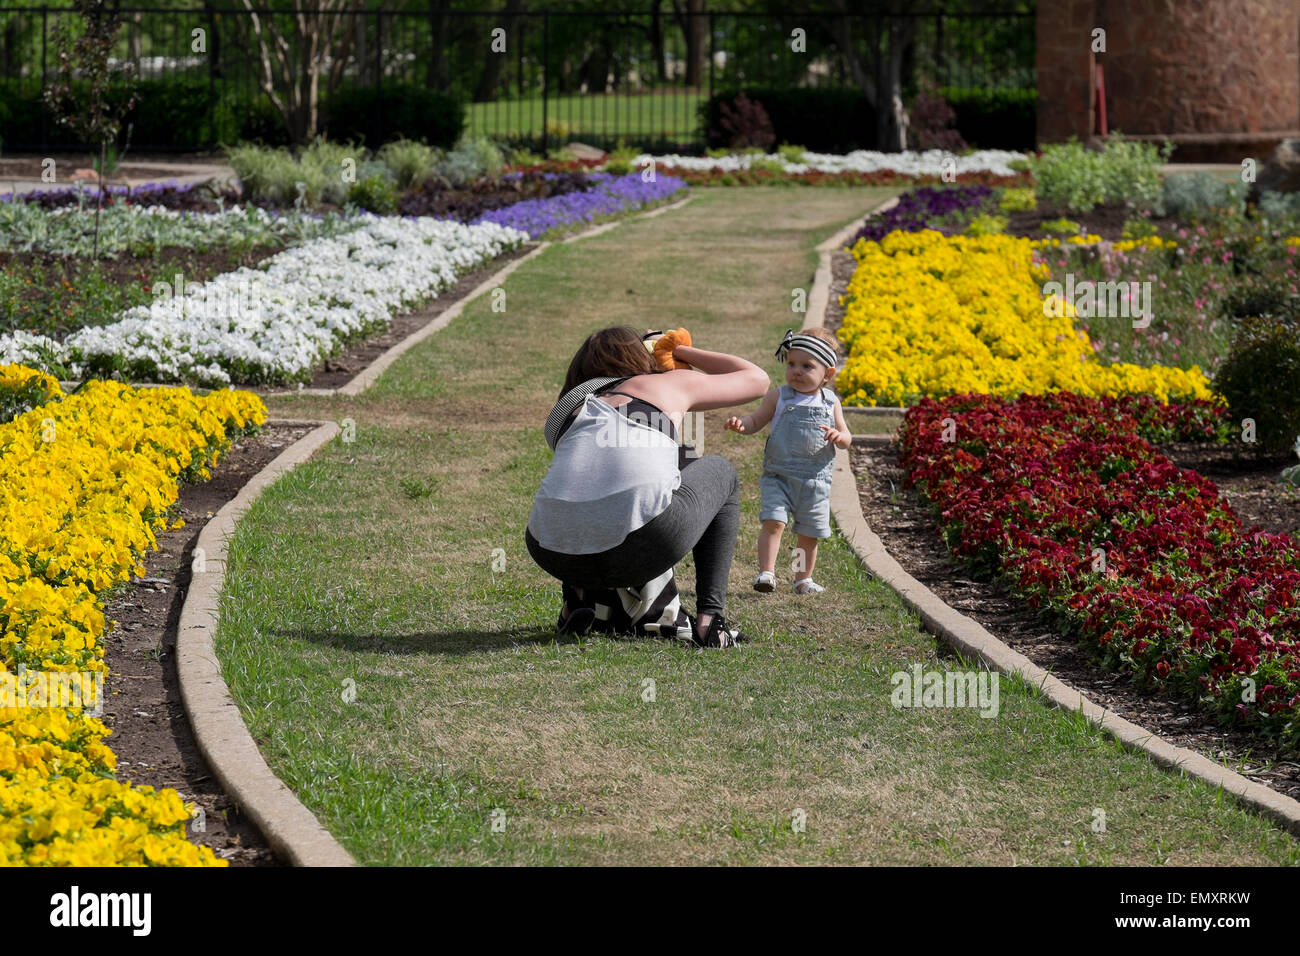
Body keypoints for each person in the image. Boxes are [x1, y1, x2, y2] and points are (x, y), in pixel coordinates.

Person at [525, 326, 769, 648]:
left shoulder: (571, 408)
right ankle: (710, 620)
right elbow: (758, 380)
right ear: (643, 355)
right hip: (643, 546)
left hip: (550, 550)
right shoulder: (666, 384)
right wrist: (680, 352)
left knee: (589, 489)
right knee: (721, 472)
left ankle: (577, 602)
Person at [725, 327, 852, 595]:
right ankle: (767, 573)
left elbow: (847, 437)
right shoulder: (779, 397)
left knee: (808, 532)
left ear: (828, 374)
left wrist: (838, 435)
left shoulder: (831, 403)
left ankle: (802, 579)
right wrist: (741, 424)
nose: (796, 370)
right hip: (779, 476)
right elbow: (756, 421)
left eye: (807, 366)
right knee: (774, 522)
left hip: (815, 481)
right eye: (792, 363)